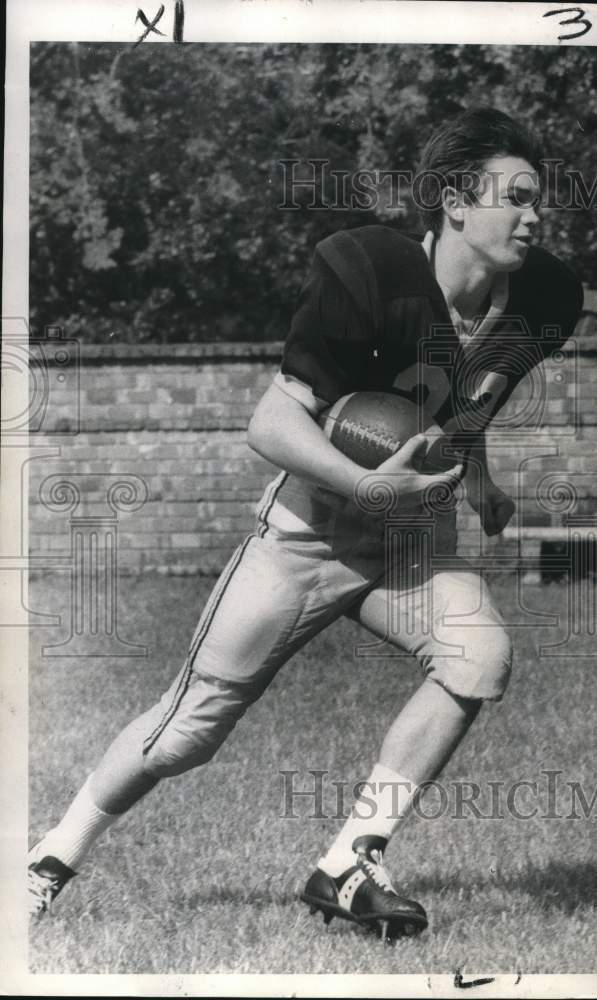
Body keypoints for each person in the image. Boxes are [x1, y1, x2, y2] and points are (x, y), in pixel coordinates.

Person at [29, 107, 583, 942]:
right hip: (306, 535)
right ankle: (48, 861)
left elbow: (469, 397)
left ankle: (349, 860)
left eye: (539, 199)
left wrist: (479, 480)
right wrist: (369, 485)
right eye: (515, 197)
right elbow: (271, 426)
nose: (535, 216)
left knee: (479, 656)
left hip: (406, 542)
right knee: (188, 730)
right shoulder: (371, 270)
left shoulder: (542, 294)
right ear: (453, 203)